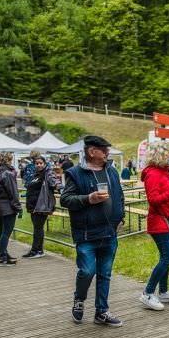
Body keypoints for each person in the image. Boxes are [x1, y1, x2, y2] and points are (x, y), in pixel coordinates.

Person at [61, 135, 125, 327]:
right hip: (87, 234)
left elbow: (119, 196)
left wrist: (120, 218)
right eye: (104, 149)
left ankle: (101, 312)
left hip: (110, 232)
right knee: (88, 271)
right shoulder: (75, 173)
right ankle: (79, 298)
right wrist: (88, 198)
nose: (107, 152)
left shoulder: (111, 171)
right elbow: (65, 200)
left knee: (105, 274)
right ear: (91, 152)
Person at [139, 141, 169, 311]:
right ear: (160, 155)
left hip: (166, 220)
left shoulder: (162, 172)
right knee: (167, 258)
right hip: (159, 221)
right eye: (168, 153)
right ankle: (148, 293)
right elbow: (153, 200)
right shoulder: (153, 174)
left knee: (166, 258)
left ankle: (164, 291)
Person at [0, 152, 23, 266]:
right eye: (10, 160)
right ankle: (2, 257)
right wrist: (19, 208)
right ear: (6, 161)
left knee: (2, 231)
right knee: (6, 232)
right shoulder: (7, 173)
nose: (11, 162)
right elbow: (13, 193)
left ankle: (4, 254)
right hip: (7, 205)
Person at [23, 156, 59, 259]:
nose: (38, 165)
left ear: (45, 164)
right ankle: (39, 249)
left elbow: (54, 183)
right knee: (37, 228)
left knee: (38, 229)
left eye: (40, 163)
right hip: (33, 206)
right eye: (36, 163)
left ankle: (36, 250)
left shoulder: (48, 173)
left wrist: (57, 186)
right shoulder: (35, 174)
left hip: (41, 206)